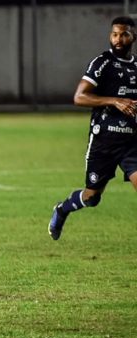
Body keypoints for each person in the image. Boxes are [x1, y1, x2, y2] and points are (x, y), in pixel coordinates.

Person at [48, 16, 137, 240]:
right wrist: (114, 101)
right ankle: (62, 209)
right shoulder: (102, 63)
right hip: (104, 143)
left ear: (133, 37)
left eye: (124, 34)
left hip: (131, 144)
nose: (118, 39)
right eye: (115, 34)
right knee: (91, 198)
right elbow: (79, 97)